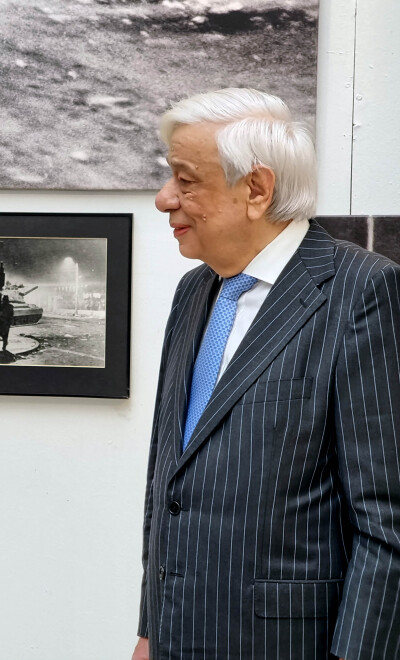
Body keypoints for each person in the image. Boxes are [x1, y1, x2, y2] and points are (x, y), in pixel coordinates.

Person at [133, 88, 400, 660]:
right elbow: (170, 481)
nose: (163, 199)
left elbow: (387, 521)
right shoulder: (195, 291)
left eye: (186, 180)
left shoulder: (361, 292)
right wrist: (152, 630)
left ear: (256, 189)